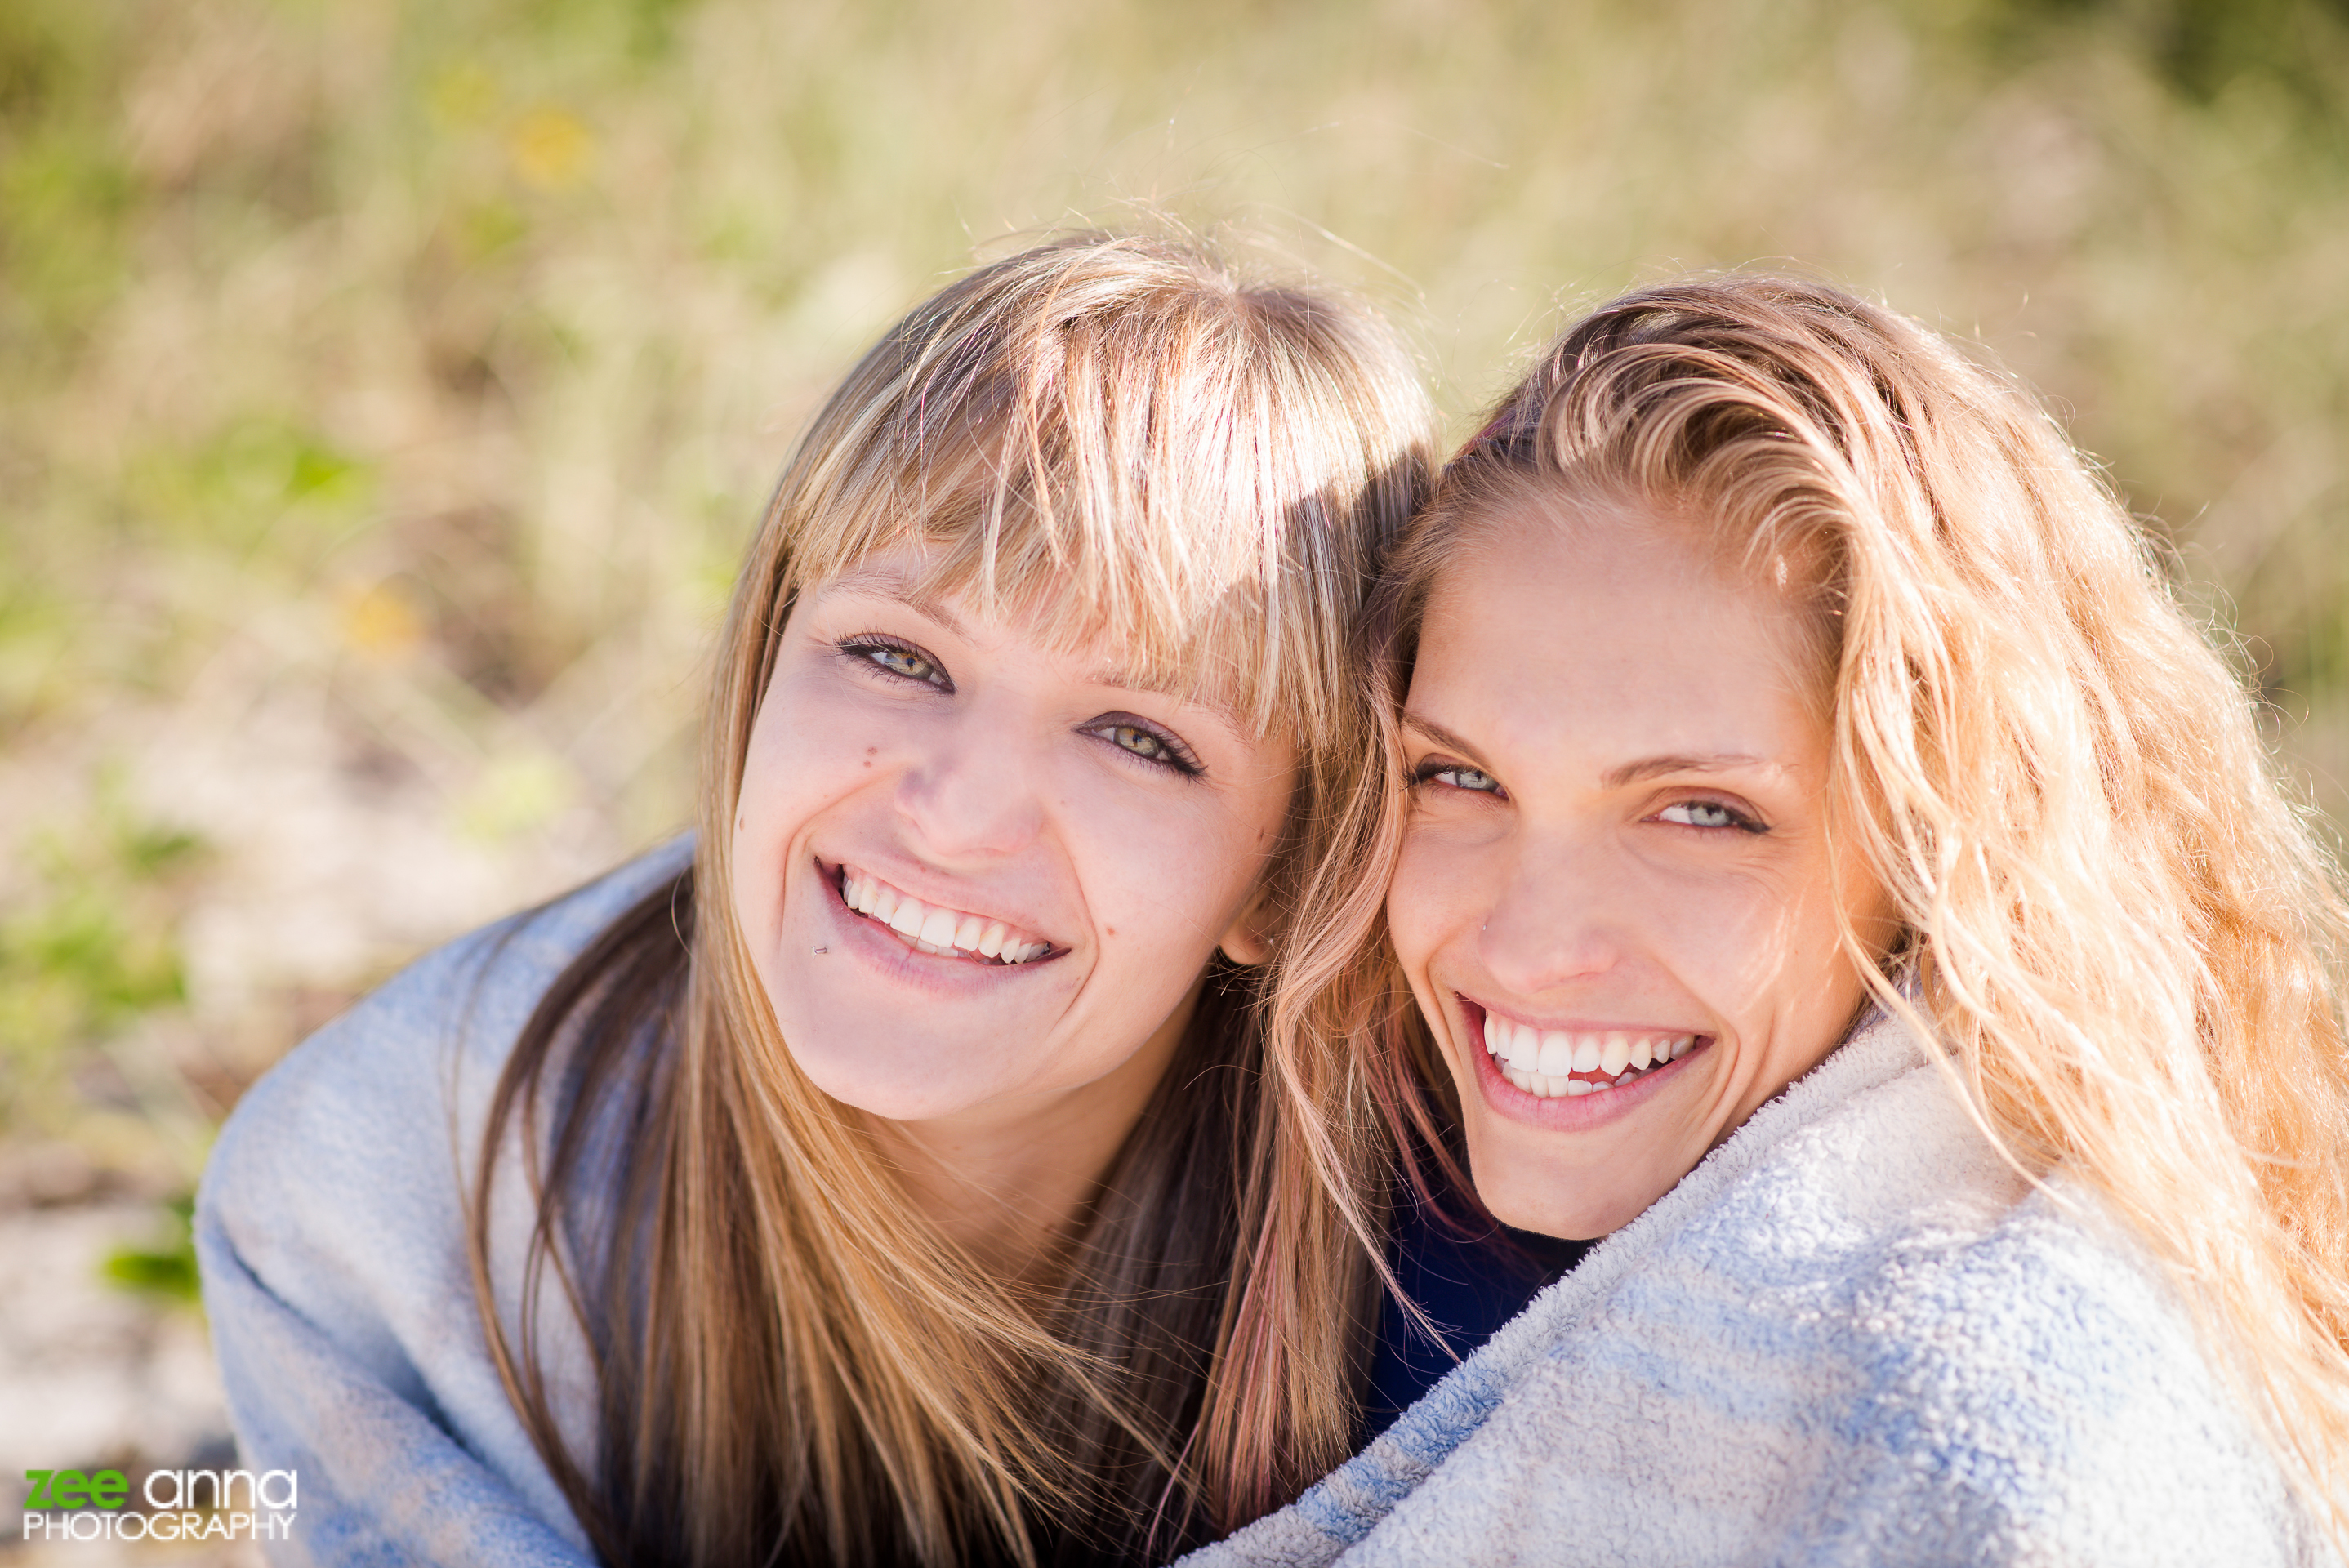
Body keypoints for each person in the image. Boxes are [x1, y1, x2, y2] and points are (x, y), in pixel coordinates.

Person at [195, 233, 1455, 1568]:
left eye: (1141, 738)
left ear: (1289, 870)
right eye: (896, 653)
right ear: (763, 669)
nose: (959, 812)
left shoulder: (1437, 1241)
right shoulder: (389, 1199)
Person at [1195, 276, 2349, 1564]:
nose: (1527, 945)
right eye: (1462, 778)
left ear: (1949, 853)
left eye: (1700, 815)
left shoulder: (2013, 1430)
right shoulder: (1304, 1177)